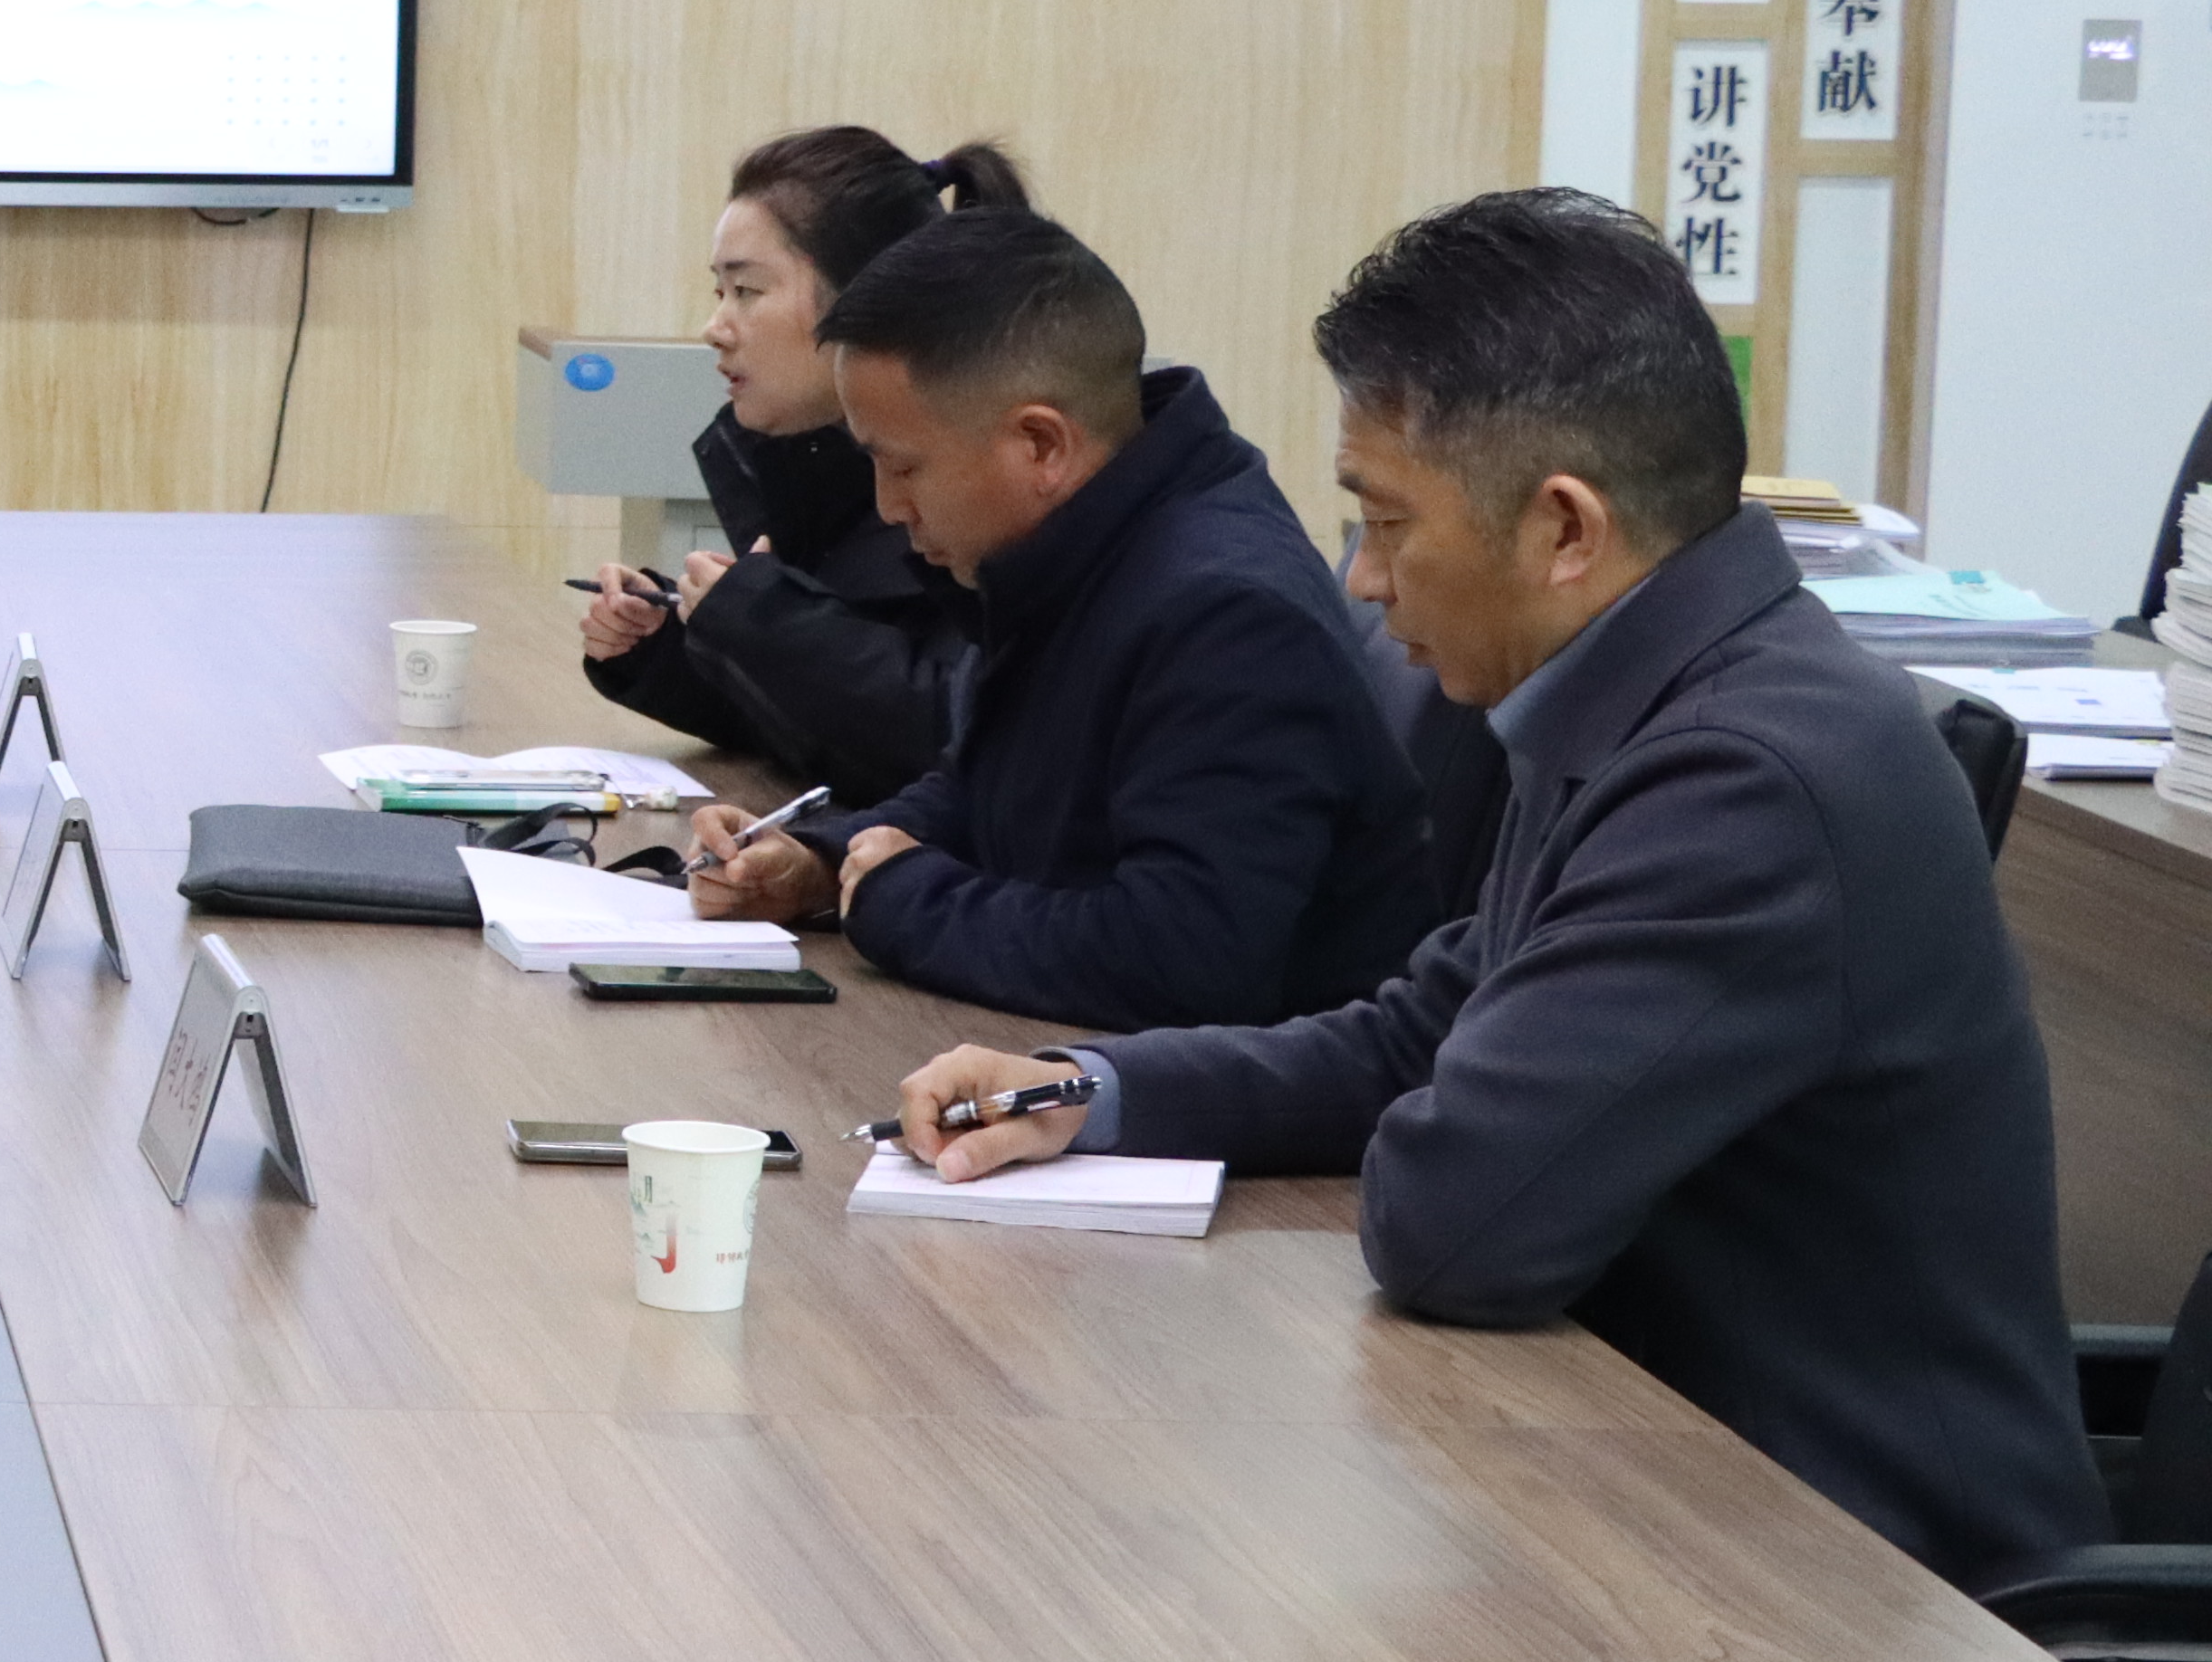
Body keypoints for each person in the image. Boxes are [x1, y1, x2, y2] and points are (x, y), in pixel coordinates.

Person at [897, 189, 2099, 1588]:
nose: (1363, 579)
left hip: (1870, 1581)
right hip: (1661, 1482)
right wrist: (1087, 1092)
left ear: (1564, 529)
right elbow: (1421, 1033)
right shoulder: (1639, 690)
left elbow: (1455, 1224)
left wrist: (1435, 1109)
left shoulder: (1746, 778)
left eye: (1386, 522)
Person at [687, 205, 1436, 1029]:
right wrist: (823, 860)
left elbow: (1182, 959)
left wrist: (902, 899)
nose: (888, 507)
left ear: (1042, 446)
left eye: (903, 467)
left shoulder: (1226, 617)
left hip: (1241, 1104)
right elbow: (989, 793)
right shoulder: (1076, 540)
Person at [579, 126, 1022, 800]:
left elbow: (962, 740)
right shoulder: (814, 469)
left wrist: (765, 623)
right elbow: (816, 726)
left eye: (746, 291)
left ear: (867, 299)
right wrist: (669, 644)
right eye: (718, 292)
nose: (715, 328)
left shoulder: (994, 487)